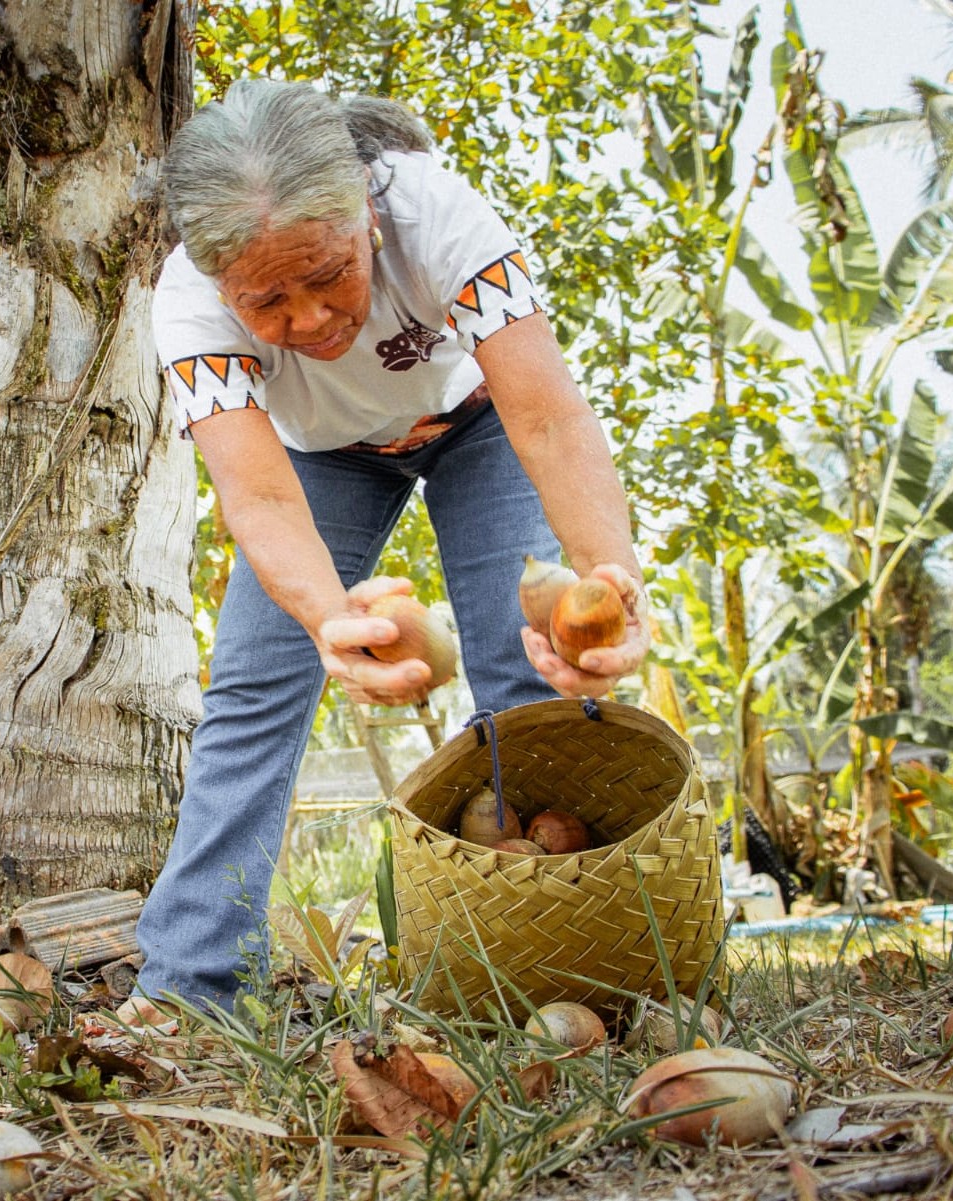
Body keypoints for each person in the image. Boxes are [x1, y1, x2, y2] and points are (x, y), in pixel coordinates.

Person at [127, 78, 650, 1019]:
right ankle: (190, 984)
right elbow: (257, 492)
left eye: (329, 275)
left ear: (367, 216)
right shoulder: (188, 302)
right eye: (268, 302)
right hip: (321, 461)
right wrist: (331, 620)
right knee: (253, 685)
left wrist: (609, 580)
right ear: (218, 283)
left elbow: (549, 421)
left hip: (478, 422)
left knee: (527, 674)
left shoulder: (434, 210)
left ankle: (564, 969)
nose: (313, 322)